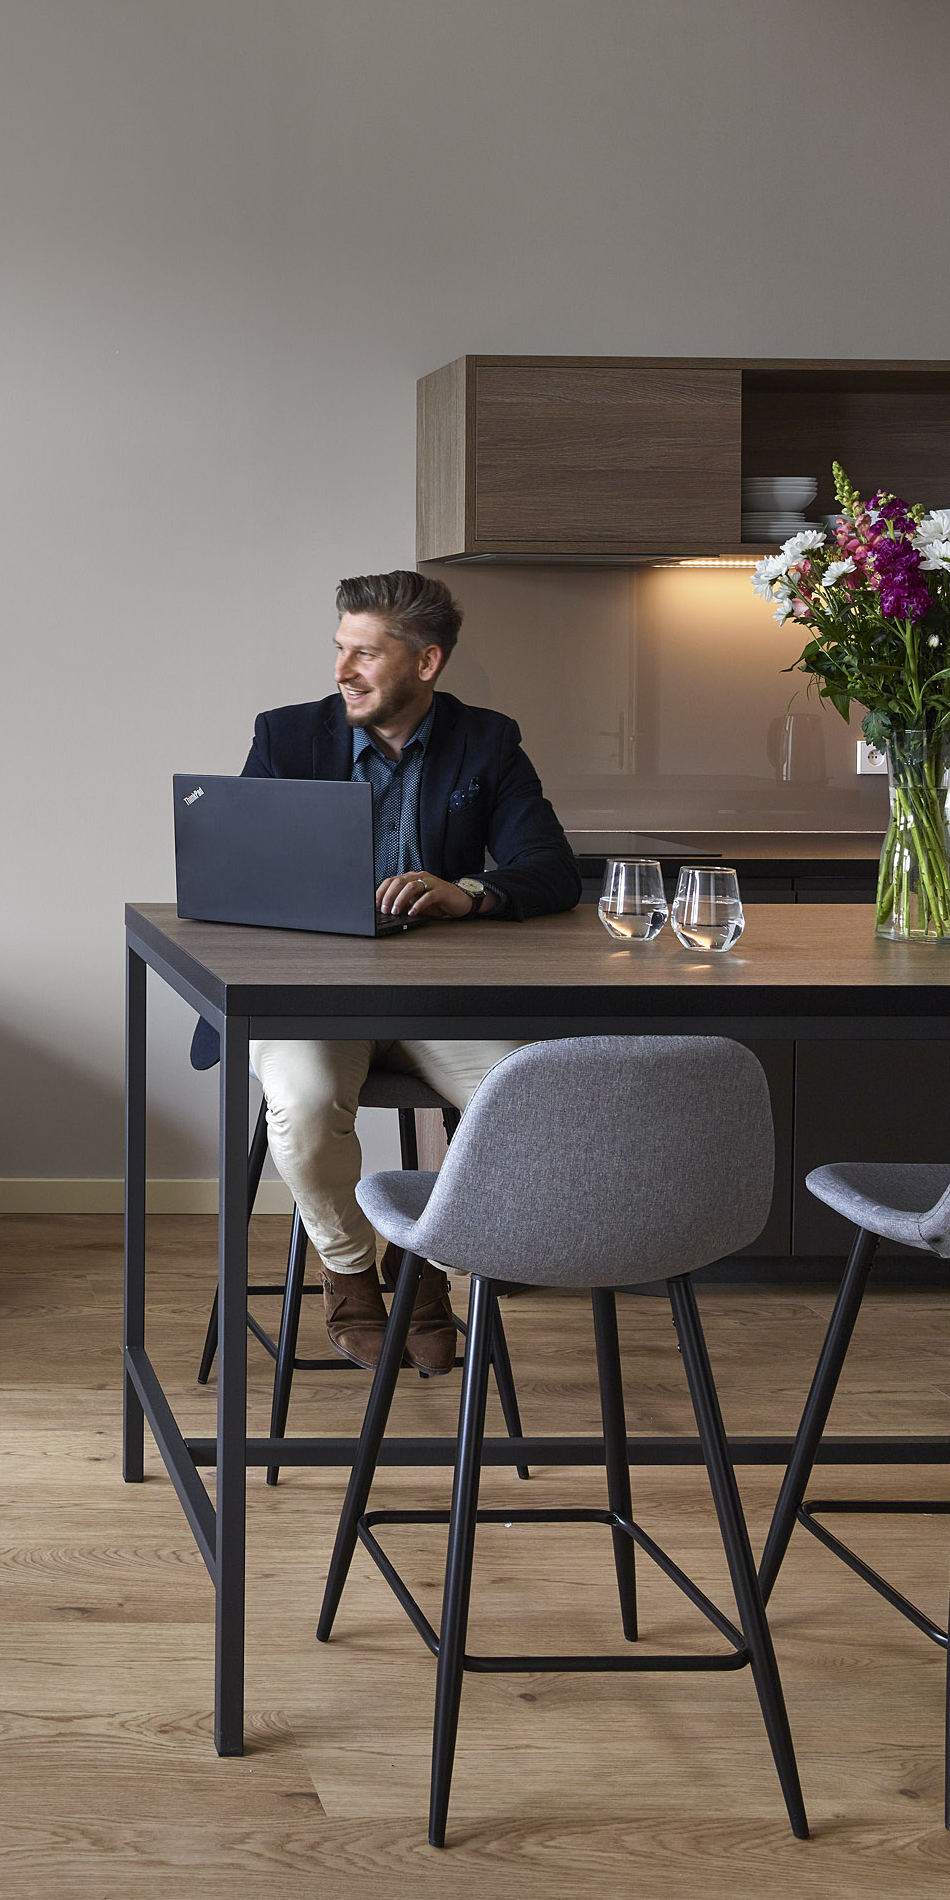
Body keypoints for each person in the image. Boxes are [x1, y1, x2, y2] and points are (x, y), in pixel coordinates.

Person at [188, 570, 580, 1373]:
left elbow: (551, 869)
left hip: (439, 999)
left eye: (365, 654)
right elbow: (237, 871)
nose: (342, 670)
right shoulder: (287, 737)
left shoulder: (486, 741)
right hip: (314, 1000)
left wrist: (468, 892)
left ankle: (423, 1257)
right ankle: (350, 1272)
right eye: (340, 649)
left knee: (532, 1102)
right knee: (303, 1103)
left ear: (426, 662)